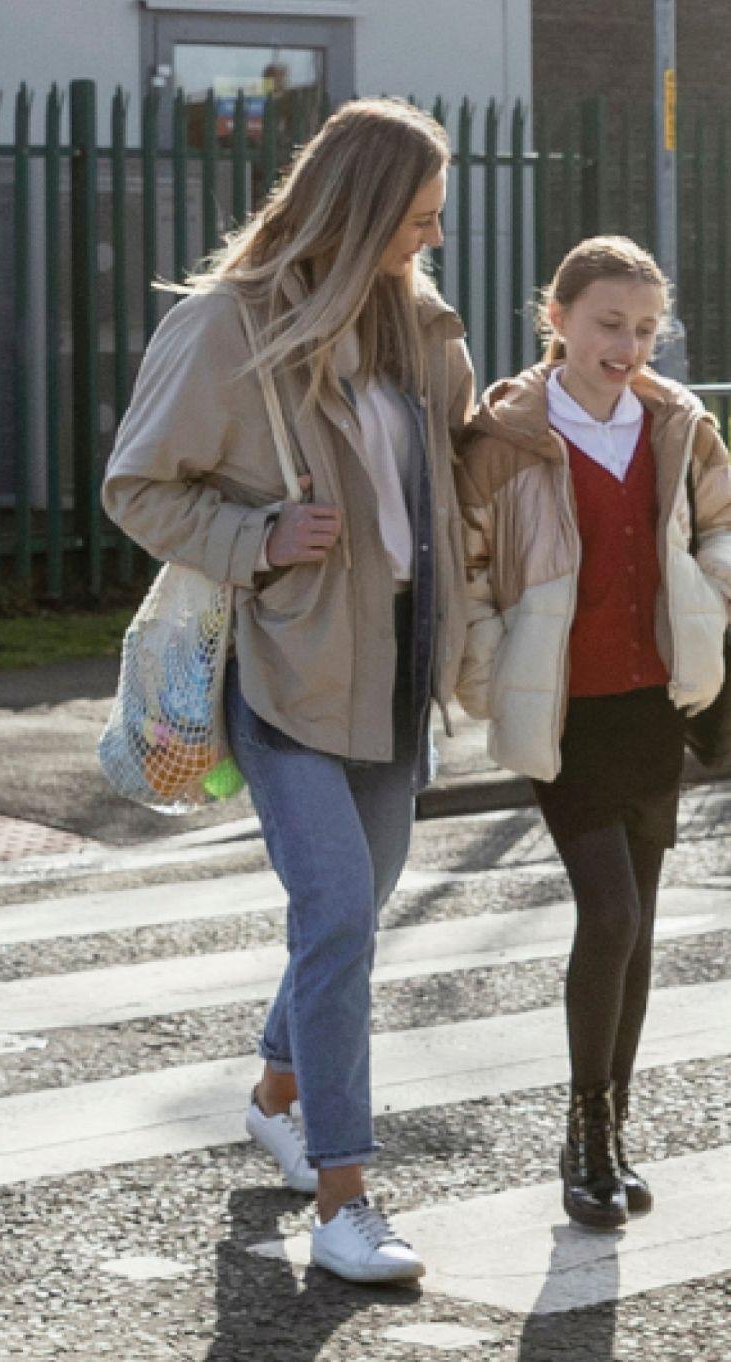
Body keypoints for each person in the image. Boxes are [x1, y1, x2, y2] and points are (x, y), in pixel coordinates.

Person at [102, 96, 483, 1289]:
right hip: (285, 665)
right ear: (357, 207)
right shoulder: (226, 327)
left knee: (352, 917)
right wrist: (261, 532)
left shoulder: (420, 327)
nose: (428, 240)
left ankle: (276, 1089)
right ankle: (344, 1193)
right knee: (335, 913)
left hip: (399, 667)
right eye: (413, 219)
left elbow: (458, 463)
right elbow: (138, 485)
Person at [456, 237, 731, 1229]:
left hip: (654, 702)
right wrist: (486, 669)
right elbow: (468, 568)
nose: (627, 345)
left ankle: (611, 1127)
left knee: (636, 922)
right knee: (612, 913)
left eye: (644, 328)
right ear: (554, 316)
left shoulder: (677, 421)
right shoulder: (504, 434)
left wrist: (716, 594)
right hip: (563, 706)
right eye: (607, 323)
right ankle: (584, 1135)